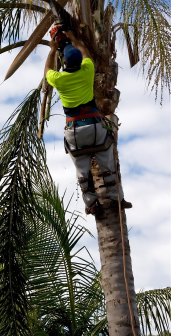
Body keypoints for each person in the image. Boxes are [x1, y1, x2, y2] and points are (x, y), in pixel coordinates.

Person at [45, 30, 132, 215]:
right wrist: (75, 38)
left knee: (82, 173)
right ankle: (117, 199)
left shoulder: (59, 79)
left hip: (75, 131)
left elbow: (47, 72)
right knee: (108, 165)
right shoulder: (88, 70)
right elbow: (84, 52)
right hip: (95, 127)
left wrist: (52, 50)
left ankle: (92, 205)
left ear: (65, 63)